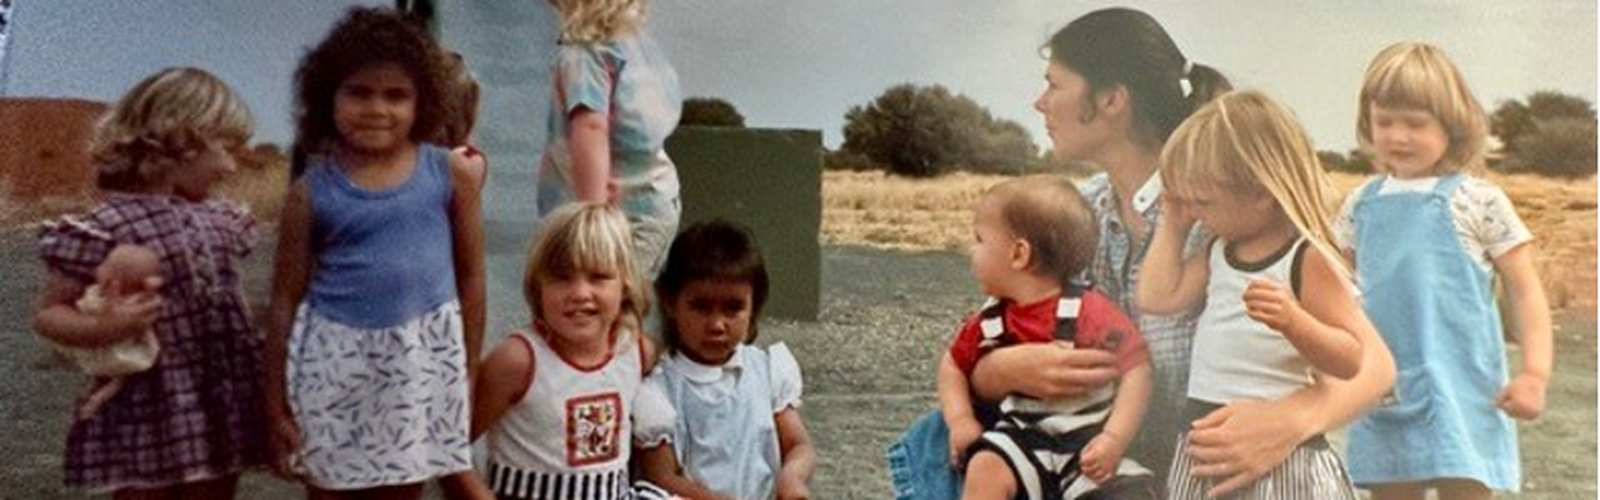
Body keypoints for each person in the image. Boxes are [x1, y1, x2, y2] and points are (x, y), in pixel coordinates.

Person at [888, 7, 1396, 499]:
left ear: (1112, 99)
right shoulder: (1070, 213)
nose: (1040, 103)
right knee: (947, 438)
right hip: (1095, 460)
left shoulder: (1226, 208)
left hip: (1199, 461)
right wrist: (1002, 371)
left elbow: (1376, 366)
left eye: (1054, 84)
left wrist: (1293, 420)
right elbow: (980, 345)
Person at [263, 7, 487, 498]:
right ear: (328, 96)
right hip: (333, 364)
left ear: (422, 101)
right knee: (329, 487)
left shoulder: (451, 175)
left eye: (396, 95)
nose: (377, 109)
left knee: (403, 489)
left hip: (417, 366)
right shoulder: (310, 192)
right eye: (359, 92)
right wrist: (276, 402)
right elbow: (283, 298)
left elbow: (471, 277)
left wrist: (465, 371)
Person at [33, 66, 267, 498]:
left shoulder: (225, 220)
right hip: (147, 397)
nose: (231, 165)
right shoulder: (106, 225)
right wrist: (107, 327)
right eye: (224, 148)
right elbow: (50, 314)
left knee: (216, 487)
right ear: (178, 143)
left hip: (219, 391)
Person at [1137, 90, 1380, 499]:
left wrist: (1296, 323)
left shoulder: (1306, 259)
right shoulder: (1219, 251)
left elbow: (1350, 359)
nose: (1196, 213)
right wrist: (1172, 228)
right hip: (1204, 440)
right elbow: (1158, 298)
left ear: (1261, 193)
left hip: (1279, 457)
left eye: (1204, 202)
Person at [1337, 42, 1553, 500]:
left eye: (1416, 124)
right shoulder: (1359, 207)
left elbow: (1526, 290)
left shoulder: (1479, 201)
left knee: (1467, 488)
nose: (1398, 136)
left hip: (1466, 386)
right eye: (1385, 122)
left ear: (1452, 127)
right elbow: (1337, 294)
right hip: (1384, 385)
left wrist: (1534, 373)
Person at [945, 176, 1156, 500]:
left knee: (1130, 491)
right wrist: (960, 420)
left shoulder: (1090, 312)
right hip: (1020, 441)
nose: (972, 252)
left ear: (1019, 254)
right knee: (984, 467)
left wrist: (1114, 438)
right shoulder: (990, 320)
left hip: (1087, 444)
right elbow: (952, 366)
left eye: (980, 240)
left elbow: (1138, 367)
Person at [454, 202, 673, 500]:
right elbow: (449, 446)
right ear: (538, 287)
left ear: (624, 285)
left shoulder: (635, 352)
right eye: (561, 277)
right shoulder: (518, 361)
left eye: (598, 277)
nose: (580, 293)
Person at [632, 219, 818, 500]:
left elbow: (798, 444)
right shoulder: (658, 389)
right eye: (701, 307)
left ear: (753, 306)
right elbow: (660, 477)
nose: (717, 325)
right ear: (670, 303)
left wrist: (792, 477)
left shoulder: (767, 371)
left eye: (733, 309)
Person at [539, 0, 682, 279]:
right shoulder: (627, 42)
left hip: (620, 218)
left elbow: (591, 127)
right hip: (653, 202)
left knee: (604, 301)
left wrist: (593, 217)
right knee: (622, 302)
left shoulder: (584, 55)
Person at [50, 243, 163, 421]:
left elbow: (107, 313)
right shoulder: (125, 294)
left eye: (105, 265)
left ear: (115, 278)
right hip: (121, 353)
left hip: (115, 350)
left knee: (112, 376)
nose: (98, 267)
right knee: (116, 379)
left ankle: (95, 397)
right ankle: (96, 396)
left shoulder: (116, 297)